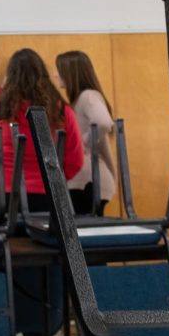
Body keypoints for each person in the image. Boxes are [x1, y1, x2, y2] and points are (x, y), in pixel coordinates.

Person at [0, 48, 85, 214]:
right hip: (47, 194)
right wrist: (55, 179)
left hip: (3, 193)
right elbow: (75, 161)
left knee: (7, 240)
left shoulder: (5, 107)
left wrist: (2, 90)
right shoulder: (61, 110)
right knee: (47, 240)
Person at [55, 50, 116, 216]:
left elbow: (104, 122)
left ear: (70, 73)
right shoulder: (81, 100)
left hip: (87, 181)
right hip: (87, 179)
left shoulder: (88, 96)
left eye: (58, 70)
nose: (55, 74)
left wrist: (82, 142)